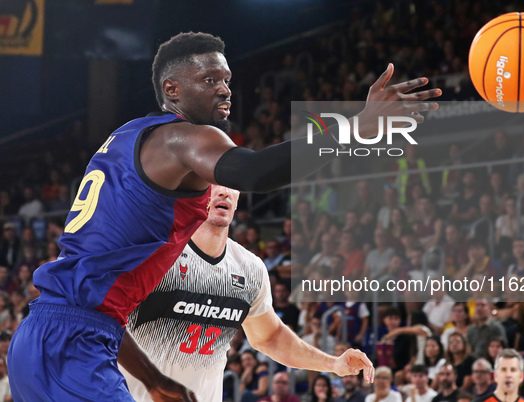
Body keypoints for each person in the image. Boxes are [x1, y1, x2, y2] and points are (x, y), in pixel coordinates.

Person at [9, 32, 439, 400]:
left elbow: (107, 311)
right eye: (209, 79)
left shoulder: (125, 138)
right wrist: (356, 127)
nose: (224, 89)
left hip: (48, 333)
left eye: (227, 79)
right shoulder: (183, 138)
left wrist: (156, 378)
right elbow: (257, 171)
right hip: (75, 340)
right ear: (172, 89)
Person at [121, 185, 375, 401]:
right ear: (192, 190)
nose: (224, 192)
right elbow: (101, 323)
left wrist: (333, 363)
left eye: (231, 184)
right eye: (214, 183)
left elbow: (271, 337)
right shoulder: (154, 252)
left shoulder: (250, 268)